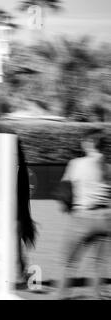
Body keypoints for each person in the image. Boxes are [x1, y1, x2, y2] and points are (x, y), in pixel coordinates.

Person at [58, 128, 111, 299]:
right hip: (105, 219)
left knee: (69, 262)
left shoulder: (76, 164)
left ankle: (63, 295)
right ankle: (98, 295)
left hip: (82, 218)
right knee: (99, 264)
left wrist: (65, 206)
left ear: (89, 143)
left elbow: (64, 191)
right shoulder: (108, 167)